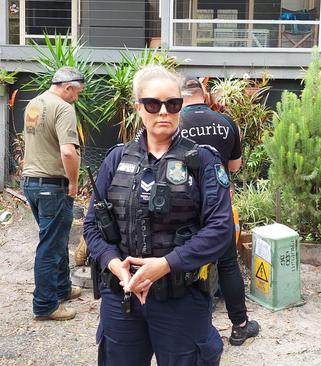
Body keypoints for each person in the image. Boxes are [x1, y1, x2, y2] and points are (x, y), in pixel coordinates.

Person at [84, 65, 233, 365]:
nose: (163, 112)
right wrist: (116, 266)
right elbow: (92, 226)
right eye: (153, 104)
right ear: (139, 108)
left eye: (173, 104)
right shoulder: (117, 158)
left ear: (181, 106)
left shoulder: (202, 160)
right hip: (122, 298)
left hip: (180, 300)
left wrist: (164, 265)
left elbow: (220, 230)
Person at [180, 77, 260, 346]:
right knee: (227, 264)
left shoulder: (173, 122)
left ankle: (191, 329)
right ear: (203, 94)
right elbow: (235, 166)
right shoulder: (225, 122)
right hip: (218, 204)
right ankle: (239, 326)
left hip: (183, 206)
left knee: (184, 262)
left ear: (181, 96)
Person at [22, 66, 84, 321]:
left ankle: (62, 288)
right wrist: (73, 183)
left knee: (56, 239)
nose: (77, 98)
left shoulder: (34, 104)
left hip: (31, 183)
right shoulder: (64, 108)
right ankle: (46, 304)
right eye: (77, 92)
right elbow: (68, 151)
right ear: (68, 87)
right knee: (50, 246)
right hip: (52, 185)